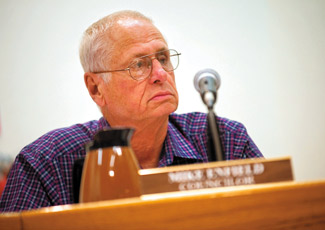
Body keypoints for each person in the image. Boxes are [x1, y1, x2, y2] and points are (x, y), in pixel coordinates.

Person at [0, 10, 262, 213]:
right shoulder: (45, 164)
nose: (161, 74)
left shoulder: (225, 140)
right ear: (95, 88)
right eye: (138, 65)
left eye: (163, 58)